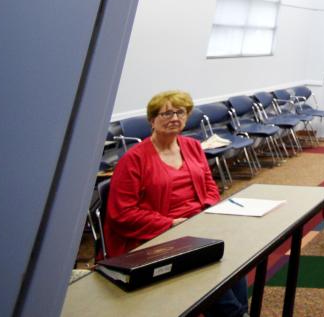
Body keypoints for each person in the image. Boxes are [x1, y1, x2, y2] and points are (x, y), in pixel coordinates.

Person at [105, 90, 248, 317]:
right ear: (152, 120)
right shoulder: (133, 160)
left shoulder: (191, 146)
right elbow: (122, 214)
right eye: (166, 113)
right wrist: (171, 223)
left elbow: (210, 186)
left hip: (196, 223)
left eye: (180, 112)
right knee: (207, 265)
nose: (174, 118)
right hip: (157, 234)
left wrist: (207, 210)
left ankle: (239, 311)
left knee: (232, 259)